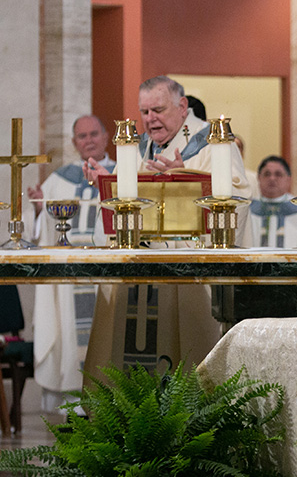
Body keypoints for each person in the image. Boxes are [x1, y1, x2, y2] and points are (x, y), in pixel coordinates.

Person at [83, 76, 253, 377]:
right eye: (145, 112)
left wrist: (186, 178)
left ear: (182, 105)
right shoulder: (137, 148)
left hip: (188, 276)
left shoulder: (214, 142)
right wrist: (106, 186)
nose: (150, 120)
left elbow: (236, 197)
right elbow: (119, 213)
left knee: (187, 360)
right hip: (141, 273)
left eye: (158, 110)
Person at [27, 115, 115, 412]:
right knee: (68, 337)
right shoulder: (59, 179)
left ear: (105, 137)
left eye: (93, 134)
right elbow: (41, 230)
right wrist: (40, 209)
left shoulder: (122, 175)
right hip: (68, 277)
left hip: (106, 275)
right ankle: (71, 408)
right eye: (81, 136)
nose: (88, 140)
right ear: (74, 142)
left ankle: (106, 402)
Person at [250, 155, 297, 248]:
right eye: (267, 174)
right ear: (259, 178)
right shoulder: (248, 210)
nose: (272, 178)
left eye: (278, 174)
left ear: (288, 179)